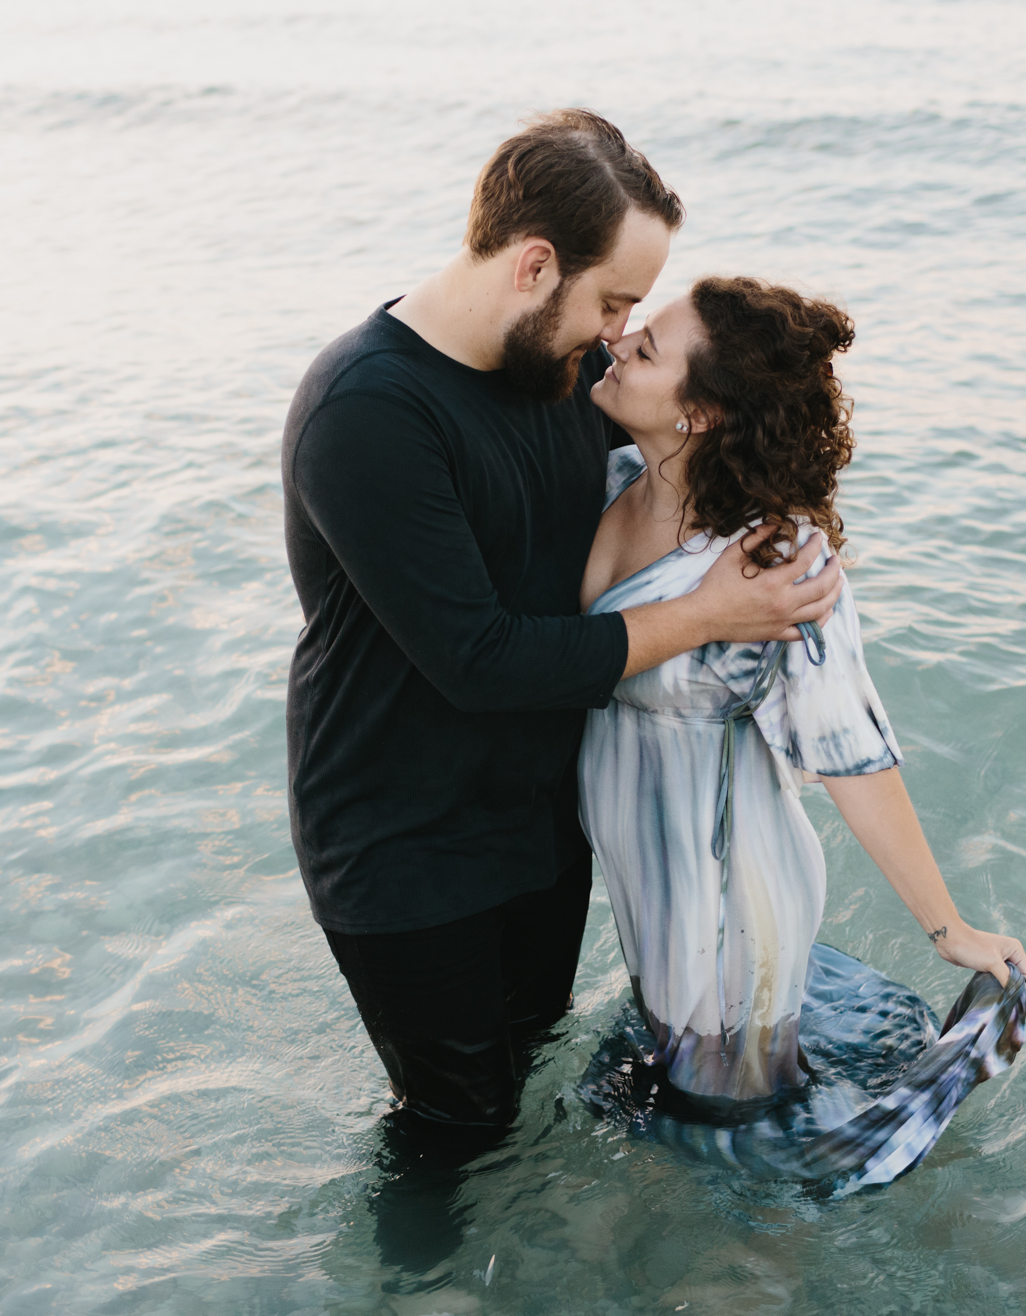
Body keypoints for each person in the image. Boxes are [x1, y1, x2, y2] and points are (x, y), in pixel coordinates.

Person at [281, 113, 843, 1169]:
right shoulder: (368, 411)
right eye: (612, 300)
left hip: (539, 824)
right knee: (456, 1128)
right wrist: (707, 615)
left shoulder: (556, 371)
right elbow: (479, 659)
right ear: (534, 265)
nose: (619, 331)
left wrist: (793, 541)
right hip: (402, 846)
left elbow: (686, 442)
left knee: (530, 1068)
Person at [576, 276, 1026, 1187]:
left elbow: (855, 759)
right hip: (653, 887)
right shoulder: (617, 480)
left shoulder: (775, 563)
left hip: (723, 901)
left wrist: (949, 931)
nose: (617, 345)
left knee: (745, 1173)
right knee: (707, 1131)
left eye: (647, 348)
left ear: (700, 414)